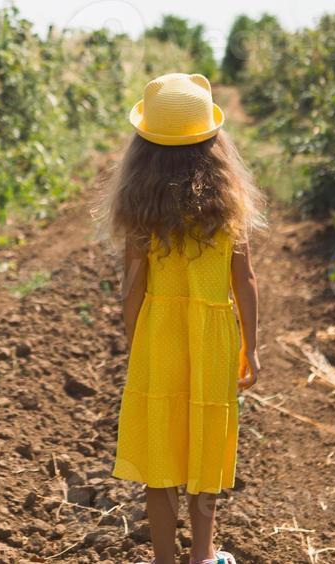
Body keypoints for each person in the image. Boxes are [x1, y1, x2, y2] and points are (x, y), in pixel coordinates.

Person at [110, 73, 263, 564]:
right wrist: (252, 348)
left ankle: (163, 560)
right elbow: (246, 282)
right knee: (205, 444)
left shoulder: (141, 208)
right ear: (212, 142)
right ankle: (202, 555)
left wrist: (137, 338)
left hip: (160, 336)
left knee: (161, 452)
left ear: (143, 146)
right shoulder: (227, 206)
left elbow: (133, 286)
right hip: (213, 339)